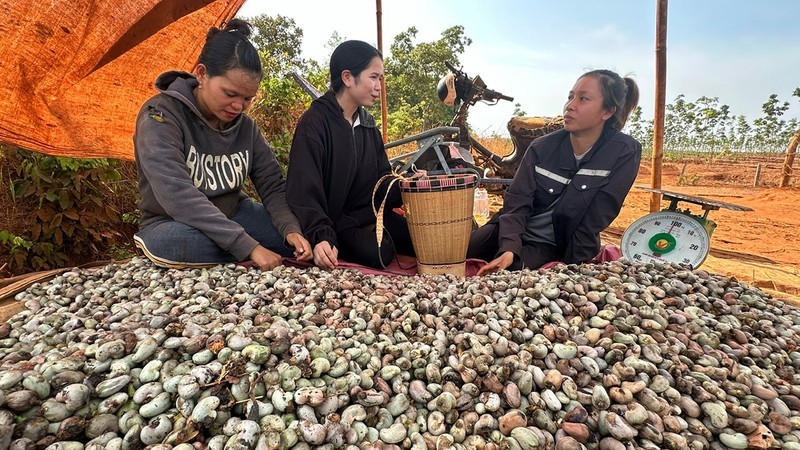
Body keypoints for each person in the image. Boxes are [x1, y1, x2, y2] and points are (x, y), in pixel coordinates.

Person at [133, 19, 312, 270]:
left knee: (301, 236)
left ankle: (233, 251)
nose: (238, 106)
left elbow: (272, 185)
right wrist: (249, 246)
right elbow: (176, 194)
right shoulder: (161, 115)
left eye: (248, 98)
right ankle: (240, 251)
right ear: (202, 74)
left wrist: (290, 229)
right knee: (172, 245)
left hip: (235, 215)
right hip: (173, 222)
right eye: (230, 94)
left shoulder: (246, 127)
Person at [469, 69, 642, 275]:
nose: (570, 106)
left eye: (583, 99)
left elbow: (597, 216)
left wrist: (572, 268)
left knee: (513, 274)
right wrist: (508, 248)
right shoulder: (542, 147)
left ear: (607, 112)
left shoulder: (624, 151)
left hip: (552, 244)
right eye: (570, 97)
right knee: (448, 252)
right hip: (511, 230)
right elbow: (516, 204)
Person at [286, 40, 415, 270]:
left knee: (419, 238)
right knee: (379, 252)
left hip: (369, 218)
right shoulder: (315, 123)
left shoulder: (367, 125)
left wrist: (406, 184)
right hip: (335, 224)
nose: (379, 87)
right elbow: (303, 191)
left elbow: (381, 180)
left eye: (381, 79)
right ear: (347, 77)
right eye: (373, 77)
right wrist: (320, 235)